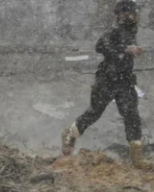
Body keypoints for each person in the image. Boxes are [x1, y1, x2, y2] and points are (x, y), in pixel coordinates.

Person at [61, 0, 152, 170]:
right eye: (129, 13)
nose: (134, 16)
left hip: (124, 81)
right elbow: (100, 46)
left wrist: (130, 50)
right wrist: (126, 49)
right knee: (95, 112)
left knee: (131, 116)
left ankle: (137, 159)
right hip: (107, 80)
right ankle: (70, 135)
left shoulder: (130, 29)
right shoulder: (115, 29)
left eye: (133, 13)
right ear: (120, 15)